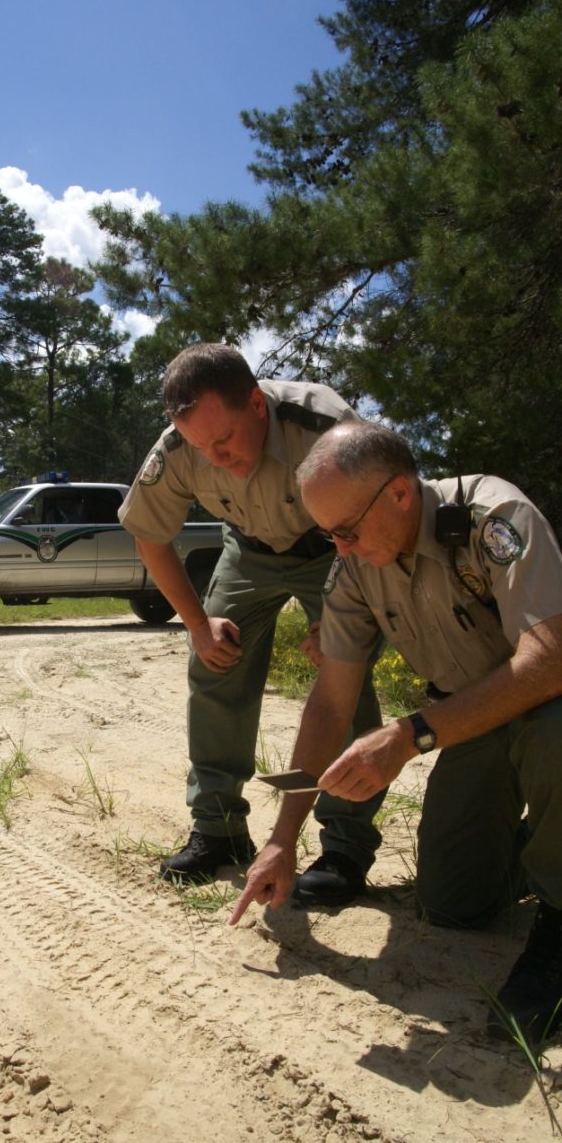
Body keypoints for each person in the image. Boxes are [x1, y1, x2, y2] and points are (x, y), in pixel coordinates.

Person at [230, 420, 562, 1043]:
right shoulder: (354, 570)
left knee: (555, 734)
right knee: (452, 907)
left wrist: (410, 737)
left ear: (402, 494)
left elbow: (548, 661)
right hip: (472, 721)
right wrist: (282, 840)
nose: (341, 548)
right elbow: (331, 704)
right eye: (328, 535)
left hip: (548, 705)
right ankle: (539, 846)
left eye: (347, 530)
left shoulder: (493, 518)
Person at [118, 342, 383, 888]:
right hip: (248, 549)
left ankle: (345, 847)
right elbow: (149, 536)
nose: (213, 458)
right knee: (215, 663)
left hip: (336, 551)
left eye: (224, 440)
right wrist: (196, 625)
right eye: (198, 446)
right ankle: (217, 830)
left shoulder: (326, 426)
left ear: (257, 405)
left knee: (346, 677)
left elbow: (378, 526)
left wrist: (340, 618)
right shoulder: (178, 448)